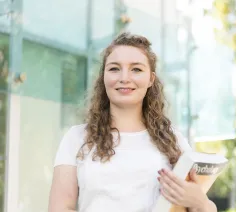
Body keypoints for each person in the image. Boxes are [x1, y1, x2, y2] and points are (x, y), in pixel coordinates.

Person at [48, 32, 217, 212]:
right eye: (114, 69)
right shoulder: (77, 138)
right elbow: (60, 208)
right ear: (103, 76)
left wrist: (199, 201)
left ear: (151, 79)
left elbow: (204, 207)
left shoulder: (173, 140)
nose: (124, 78)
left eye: (136, 69)